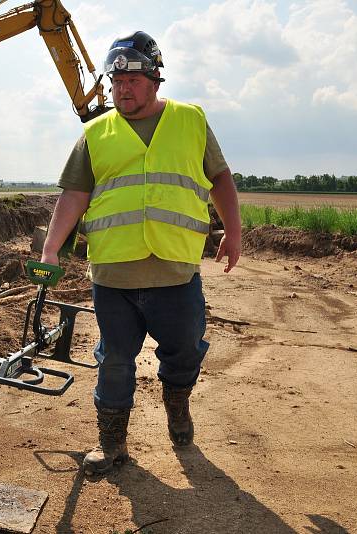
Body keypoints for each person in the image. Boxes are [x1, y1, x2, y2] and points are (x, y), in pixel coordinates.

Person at [40, 31, 241, 475]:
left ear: (154, 80)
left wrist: (233, 231)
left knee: (185, 350)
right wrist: (51, 249)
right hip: (113, 276)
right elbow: (74, 195)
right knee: (114, 358)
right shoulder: (95, 133)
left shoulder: (190, 121)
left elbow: (221, 178)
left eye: (132, 79)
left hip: (175, 271)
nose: (122, 88)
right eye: (116, 80)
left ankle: (177, 407)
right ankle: (112, 444)